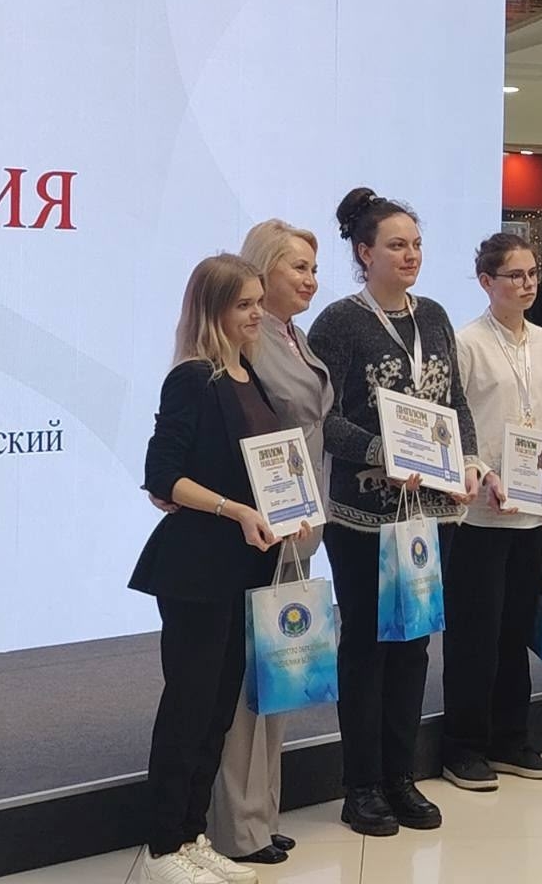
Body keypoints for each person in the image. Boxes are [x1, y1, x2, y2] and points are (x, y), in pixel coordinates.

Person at [307, 189, 486, 835]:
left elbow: (454, 401)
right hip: (363, 513)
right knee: (367, 647)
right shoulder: (338, 322)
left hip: (429, 510)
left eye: (416, 244)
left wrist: (468, 459)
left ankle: (401, 777)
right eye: (396, 245)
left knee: (413, 645)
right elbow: (323, 417)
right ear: (364, 253)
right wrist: (381, 452)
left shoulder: (433, 315)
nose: (410, 255)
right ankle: (361, 786)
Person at [130, 254, 299, 884]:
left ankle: (191, 832)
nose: (256, 314)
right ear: (212, 310)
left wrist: (289, 510)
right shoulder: (193, 378)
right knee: (190, 705)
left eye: (258, 302)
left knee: (219, 708)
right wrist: (235, 510)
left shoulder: (247, 375)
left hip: (244, 566)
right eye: (243, 305)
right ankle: (163, 847)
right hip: (196, 568)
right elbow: (162, 476)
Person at [183, 222, 333, 867]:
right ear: (261, 272)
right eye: (297, 267)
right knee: (250, 680)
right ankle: (239, 826)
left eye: (313, 268)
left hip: (300, 524)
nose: (310, 279)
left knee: (281, 668)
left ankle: (264, 812)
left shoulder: (293, 336)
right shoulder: (250, 345)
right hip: (264, 529)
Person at [442, 232, 542, 791]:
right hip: (480, 510)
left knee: (517, 627)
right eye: (515, 275)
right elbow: (456, 421)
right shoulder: (466, 342)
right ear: (486, 282)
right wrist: (479, 470)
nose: (526, 284)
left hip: (532, 507)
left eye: (532, 274)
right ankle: (464, 747)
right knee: (476, 632)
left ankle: (512, 739)